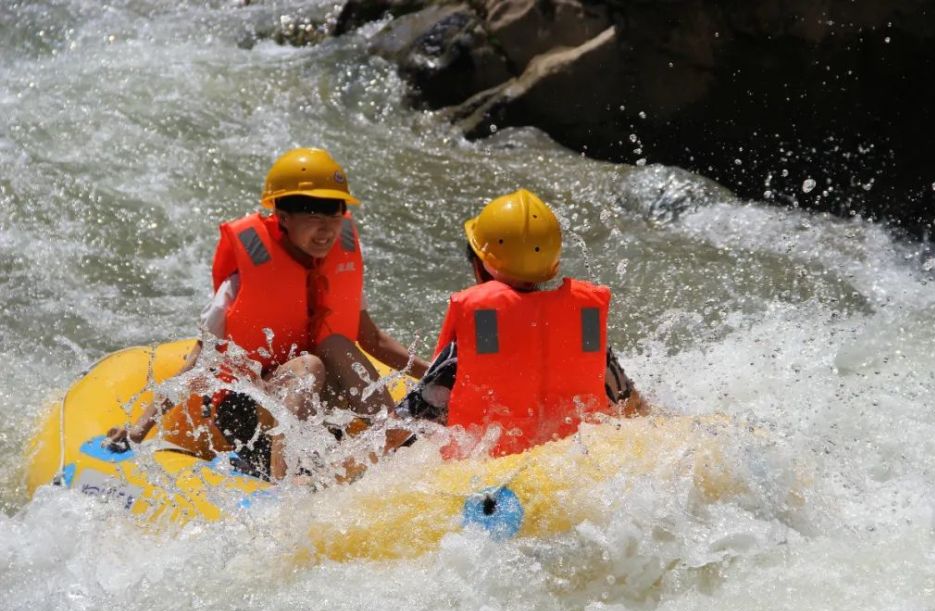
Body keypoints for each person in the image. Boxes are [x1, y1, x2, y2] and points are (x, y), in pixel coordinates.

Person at [108, 147, 429, 480]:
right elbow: (198, 361)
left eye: (334, 215)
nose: (326, 230)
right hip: (252, 414)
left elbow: (374, 339)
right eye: (312, 216)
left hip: (316, 409)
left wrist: (441, 376)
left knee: (336, 345)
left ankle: (394, 437)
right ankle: (289, 483)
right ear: (283, 216)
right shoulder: (242, 281)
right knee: (310, 364)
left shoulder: (337, 266)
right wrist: (139, 428)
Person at [397, 188, 647, 459]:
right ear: (551, 265)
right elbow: (632, 406)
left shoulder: (479, 332)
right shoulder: (583, 324)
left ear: (480, 266)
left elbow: (404, 424)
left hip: (488, 478)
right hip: (572, 465)